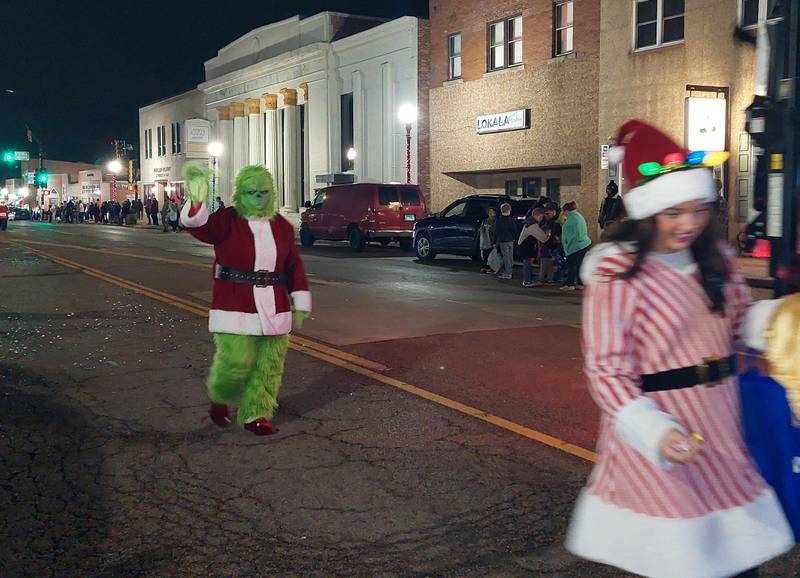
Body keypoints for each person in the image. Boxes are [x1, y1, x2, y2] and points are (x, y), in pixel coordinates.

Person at [566, 119, 793, 578]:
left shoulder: (718, 259)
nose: (688, 223)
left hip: (723, 424)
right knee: (684, 558)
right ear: (646, 213)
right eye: (673, 212)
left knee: (732, 554)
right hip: (658, 430)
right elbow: (607, 371)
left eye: (697, 210)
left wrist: (783, 319)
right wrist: (652, 429)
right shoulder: (617, 272)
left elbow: (739, 324)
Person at [181, 162, 311, 436]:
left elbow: (293, 266)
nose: (258, 198)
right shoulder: (227, 219)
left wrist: (300, 302)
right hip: (234, 303)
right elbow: (198, 225)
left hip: (274, 305)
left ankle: (256, 414)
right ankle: (220, 396)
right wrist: (197, 198)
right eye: (251, 192)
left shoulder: (283, 227)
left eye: (263, 192)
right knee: (236, 362)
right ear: (241, 193)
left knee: (269, 366)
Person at [560, 201, 591, 290]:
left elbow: (570, 235)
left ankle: (570, 284)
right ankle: (580, 283)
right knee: (579, 265)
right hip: (584, 244)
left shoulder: (571, 219)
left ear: (566, 210)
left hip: (575, 246)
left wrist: (567, 247)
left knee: (571, 265)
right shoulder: (578, 216)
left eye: (563, 211)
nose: (563, 214)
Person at [517, 208, 548, 287]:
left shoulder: (529, 222)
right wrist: (548, 235)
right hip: (526, 246)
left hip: (525, 245)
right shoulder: (532, 225)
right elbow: (543, 238)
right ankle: (527, 281)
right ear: (536, 215)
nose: (542, 218)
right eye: (541, 216)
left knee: (527, 263)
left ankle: (528, 280)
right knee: (527, 264)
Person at [492, 202, 515, 280]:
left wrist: (494, 241)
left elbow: (496, 231)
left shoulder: (499, 220)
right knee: (510, 256)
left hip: (503, 240)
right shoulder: (511, 219)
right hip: (510, 240)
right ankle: (510, 270)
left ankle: (508, 273)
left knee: (506, 257)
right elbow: (514, 230)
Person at [478, 207, 497, 274]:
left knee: (491, 255)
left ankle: (492, 268)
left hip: (492, 240)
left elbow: (495, 231)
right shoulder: (485, 220)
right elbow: (481, 228)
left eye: (492, 211)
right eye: (489, 211)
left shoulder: (496, 221)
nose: (490, 213)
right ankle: (485, 267)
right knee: (484, 254)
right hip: (485, 240)